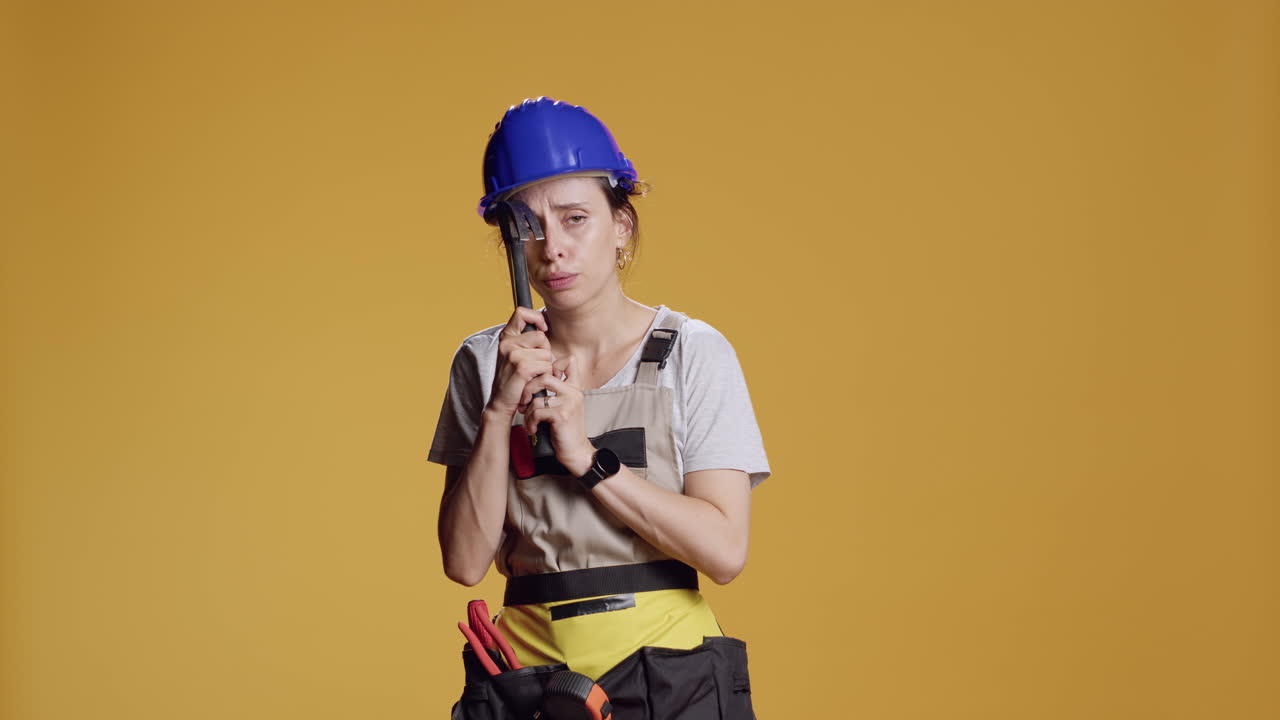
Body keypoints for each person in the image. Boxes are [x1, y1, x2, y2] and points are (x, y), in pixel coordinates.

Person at [429, 97, 770, 719]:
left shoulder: (692, 352)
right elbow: (464, 561)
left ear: (621, 225)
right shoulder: (483, 363)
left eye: (575, 218)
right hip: (528, 682)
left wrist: (587, 458)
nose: (552, 247)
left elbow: (724, 552)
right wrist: (500, 410)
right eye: (528, 225)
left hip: (674, 678)